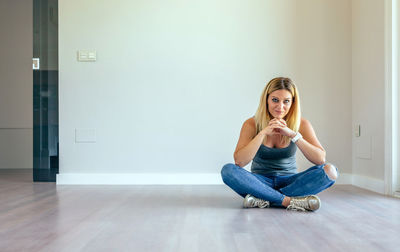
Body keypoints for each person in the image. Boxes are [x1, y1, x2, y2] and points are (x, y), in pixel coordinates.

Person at [221, 77, 338, 211]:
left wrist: (293, 135)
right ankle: (288, 201)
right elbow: (239, 162)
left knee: (330, 171)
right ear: (267, 100)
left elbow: (320, 159)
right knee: (228, 170)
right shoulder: (251, 124)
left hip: (291, 182)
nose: (280, 107)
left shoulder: (302, 124)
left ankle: (264, 199)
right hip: (259, 182)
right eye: (275, 100)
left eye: (286, 101)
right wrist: (262, 133)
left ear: (293, 103)